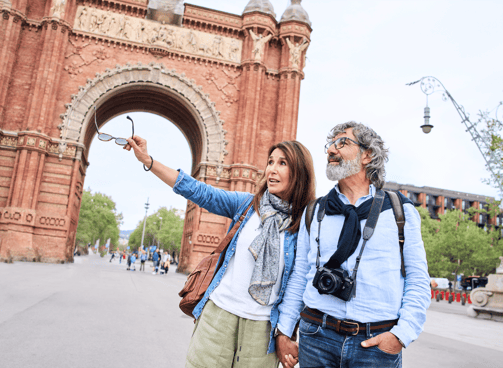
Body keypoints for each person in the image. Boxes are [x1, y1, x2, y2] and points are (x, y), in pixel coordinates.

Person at [125, 135, 316, 367]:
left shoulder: (305, 223)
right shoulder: (247, 205)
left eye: (282, 163)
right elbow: (197, 191)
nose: (272, 170)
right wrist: (148, 160)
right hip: (218, 317)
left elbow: (299, 282)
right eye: (271, 162)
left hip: (262, 329)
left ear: (300, 172)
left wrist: (284, 332)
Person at [275, 122, 431, 368]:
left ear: (367, 155)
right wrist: (284, 331)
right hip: (316, 337)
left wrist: (401, 336)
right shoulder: (314, 211)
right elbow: (299, 275)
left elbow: (417, 278)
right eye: (330, 144)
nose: (331, 150)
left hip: (376, 345)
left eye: (342, 143)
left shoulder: (400, 211)